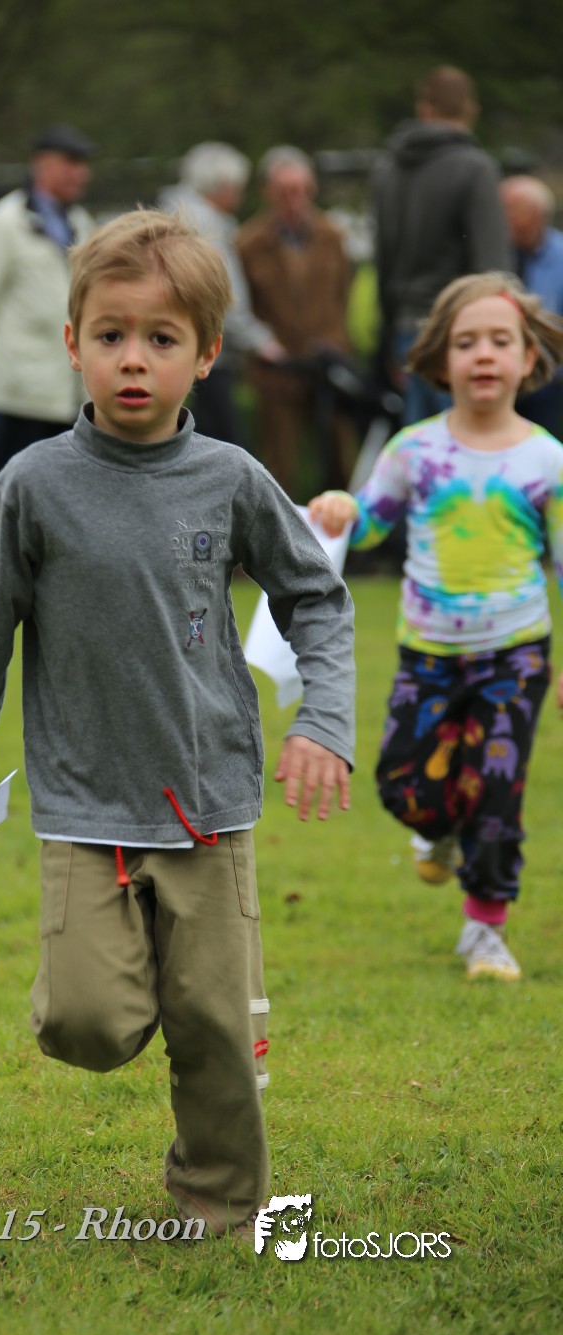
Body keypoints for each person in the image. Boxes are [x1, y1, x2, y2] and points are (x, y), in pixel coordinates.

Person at [0, 210, 355, 1239]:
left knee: (215, 1026)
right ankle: (143, 988)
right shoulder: (32, 487)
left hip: (209, 801)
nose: (133, 359)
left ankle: (220, 1207)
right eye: (111, 335)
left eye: (161, 339)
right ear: (71, 343)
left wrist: (326, 720)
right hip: (86, 805)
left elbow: (316, 597)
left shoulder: (232, 479)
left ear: (205, 355)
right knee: (85, 1022)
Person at [309, 272, 563, 982]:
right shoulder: (413, 451)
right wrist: (340, 509)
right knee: (403, 785)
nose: (484, 354)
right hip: (427, 654)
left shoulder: (547, 459)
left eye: (500, 341)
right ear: (441, 360)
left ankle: (486, 931)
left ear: (527, 358)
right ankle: (439, 831)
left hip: (516, 654)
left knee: (497, 790)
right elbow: (370, 523)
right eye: (467, 342)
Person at [373, 66, 510, 425]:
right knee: (470, 442)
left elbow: (383, 261)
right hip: (460, 336)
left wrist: (386, 337)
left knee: (420, 447)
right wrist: (502, 339)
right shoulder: (475, 168)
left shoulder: (386, 170)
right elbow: (493, 271)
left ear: (425, 109)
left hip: (405, 332)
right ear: (471, 110)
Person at [0, 123, 95, 478]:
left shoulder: (81, 222)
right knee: (16, 491)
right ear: (42, 164)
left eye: (83, 164)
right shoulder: (3, 222)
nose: (80, 173)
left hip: (69, 391)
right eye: (70, 162)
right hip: (19, 393)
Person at [236, 146, 354, 497]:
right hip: (279, 371)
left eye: (302, 190)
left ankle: (343, 528)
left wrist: (334, 341)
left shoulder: (332, 235)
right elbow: (244, 306)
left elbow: (343, 295)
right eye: (285, 191)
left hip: (328, 364)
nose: (295, 199)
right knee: (279, 466)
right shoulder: (249, 243)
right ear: (267, 192)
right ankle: (278, 529)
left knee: (339, 458)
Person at [158, 142, 283, 446]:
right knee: (227, 443)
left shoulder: (172, 218)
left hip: (177, 343)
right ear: (221, 186)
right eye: (237, 186)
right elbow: (223, 296)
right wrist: (262, 341)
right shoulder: (206, 227)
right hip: (209, 352)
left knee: (198, 436)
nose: (240, 194)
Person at [500, 175, 563, 439]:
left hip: (547, 377)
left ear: (537, 213)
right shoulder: (496, 252)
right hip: (501, 373)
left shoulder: (559, 257)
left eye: (511, 208)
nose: (503, 216)